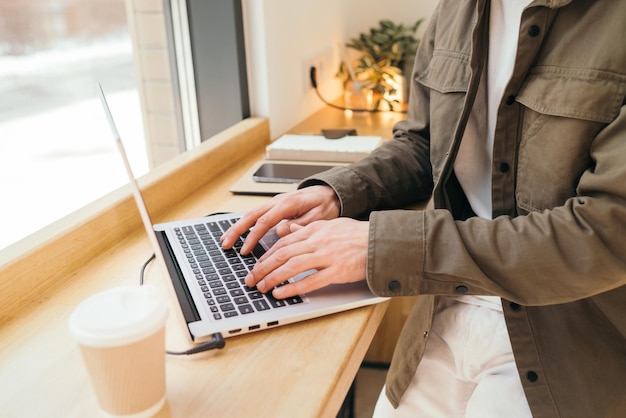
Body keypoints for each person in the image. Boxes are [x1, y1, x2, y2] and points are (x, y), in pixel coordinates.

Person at [221, 0, 626, 416]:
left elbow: (608, 232)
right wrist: (338, 193)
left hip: (568, 336)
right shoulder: (456, 9)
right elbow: (424, 142)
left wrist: (383, 246)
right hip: (447, 299)